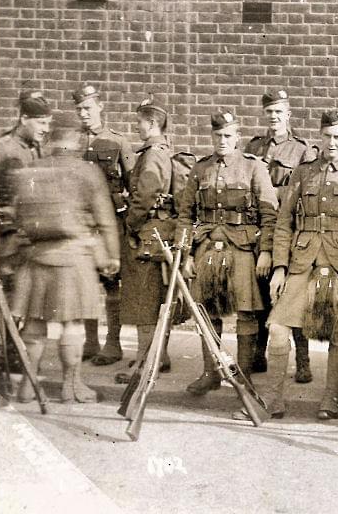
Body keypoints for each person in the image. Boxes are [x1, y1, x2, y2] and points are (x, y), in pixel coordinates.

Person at [260, 110, 338, 420]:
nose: (332, 142)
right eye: (327, 136)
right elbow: (284, 222)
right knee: (279, 327)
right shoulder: (303, 172)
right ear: (320, 137)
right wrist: (280, 268)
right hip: (302, 261)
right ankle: (273, 398)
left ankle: (330, 398)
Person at [9, 111, 120, 403]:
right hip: (73, 257)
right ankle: (72, 386)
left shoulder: (30, 170)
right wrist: (111, 256)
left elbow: (18, 215)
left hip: (35, 258)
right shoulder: (86, 172)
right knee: (72, 325)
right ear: (74, 137)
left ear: (53, 137)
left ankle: (27, 386)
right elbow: (105, 217)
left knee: (33, 325)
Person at [175, 110, 278, 413]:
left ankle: (244, 379)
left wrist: (267, 251)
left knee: (246, 315)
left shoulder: (253, 168)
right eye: (218, 135)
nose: (222, 141)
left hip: (243, 249)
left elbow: (269, 214)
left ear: (237, 138)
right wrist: (186, 256)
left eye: (228, 136)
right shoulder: (200, 169)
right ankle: (211, 373)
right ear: (212, 136)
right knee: (207, 314)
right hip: (207, 247)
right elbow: (186, 215)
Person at [243, 90, 317, 383]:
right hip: (259, 227)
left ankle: (302, 359)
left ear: (288, 115)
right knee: (260, 290)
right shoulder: (254, 146)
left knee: (291, 295)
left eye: (279, 112)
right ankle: (260, 352)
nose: (273, 117)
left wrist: (271, 193)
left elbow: (307, 190)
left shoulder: (302, 150)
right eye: (269, 112)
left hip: (288, 228)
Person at [72, 84, 137, 367]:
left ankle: (113, 343)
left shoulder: (117, 142)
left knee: (112, 283)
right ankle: (90, 340)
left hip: (110, 222)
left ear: (100, 107)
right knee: (85, 282)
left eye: (88, 108)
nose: (83, 113)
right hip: (81, 224)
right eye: (79, 109)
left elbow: (133, 184)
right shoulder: (71, 142)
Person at [0, 92, 52, 393]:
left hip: (28, 239)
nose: (45, 128)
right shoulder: (1, 149)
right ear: (24, 118)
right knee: (0, 302)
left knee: (21, 302)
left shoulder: (36, 150)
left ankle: (12, 353)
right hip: (4, 240)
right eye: (40, 122)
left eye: (48, 122)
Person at [115, 97, 175, 383]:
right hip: (156, 234)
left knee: (144, 302)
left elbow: (147, 194)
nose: (136, 126)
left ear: (151, 123)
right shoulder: (160, 151)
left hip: (146, 238)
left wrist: (130, 221)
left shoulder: (152, 154)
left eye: (140, 121)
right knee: (152, 300)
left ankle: (143, 365)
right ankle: (155, 358)